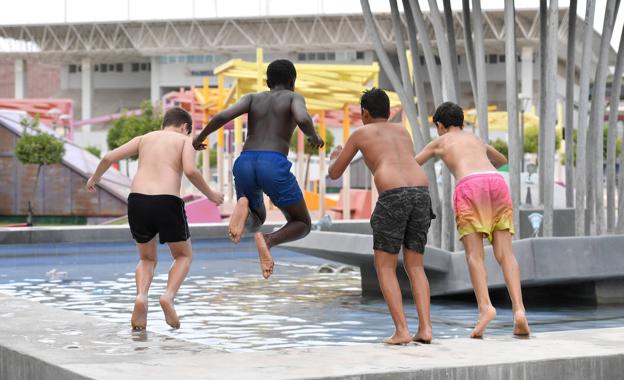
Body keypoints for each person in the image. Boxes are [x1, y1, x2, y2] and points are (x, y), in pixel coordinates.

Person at [86, 107, 224, 330]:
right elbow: (190, 170)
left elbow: (108, 157)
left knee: (147, 259)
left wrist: (94, 178)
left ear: (163, 124)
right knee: (183, 255)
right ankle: (168, 296)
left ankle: (141, 296)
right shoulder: (184, 140)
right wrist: (211, 194)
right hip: (166, 201)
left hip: (137, 201)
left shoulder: (144, 138)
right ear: (185, 127)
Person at [192, 59, 324, 279]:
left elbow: (223, 116)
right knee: (301, 223)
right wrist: (314, 136)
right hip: (272, 163)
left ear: (267, 81)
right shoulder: (293, 97)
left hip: (244, 161)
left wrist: (200, 136)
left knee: (256, 219)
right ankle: (269, 240)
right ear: (293, 82)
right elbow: (302, 117)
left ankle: (244, 204)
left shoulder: (253, 98)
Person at [414, 101, 530, 338]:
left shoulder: (440, 141)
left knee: (475, 255)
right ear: (462, 122)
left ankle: (485, 307)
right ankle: (519, 311)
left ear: (440, 125)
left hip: (469, 186)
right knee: (505, 254)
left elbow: (412, 164)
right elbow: (501, 159)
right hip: (496, 182)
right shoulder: (476, 140)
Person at [328, 88, 434, 345]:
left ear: (364, 113)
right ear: (388, 112)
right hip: (421, 193)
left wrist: (334, 157)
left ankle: (402, 331)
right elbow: (385, 162)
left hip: (393, 196)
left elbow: (335, 174)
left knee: (385, 266)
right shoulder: (402, 131)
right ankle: (426, 329)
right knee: (415, 265)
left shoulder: (360, 133)